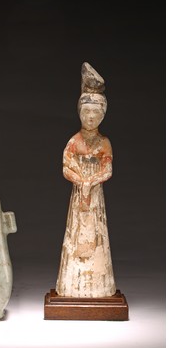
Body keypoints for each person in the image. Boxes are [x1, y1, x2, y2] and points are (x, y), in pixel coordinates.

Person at [56, 62, 117, 298]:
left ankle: (98, 286)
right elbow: (66, 167)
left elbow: (108, 169)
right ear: (80, 113)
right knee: (76, 235)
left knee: (96, 236)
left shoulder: (104, 143)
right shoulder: (74, 141)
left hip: (94, 197)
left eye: (96, 113)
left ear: (103, 114)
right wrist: (80, 181)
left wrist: (91, 182)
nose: (91, 117)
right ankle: (72, 285)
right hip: (79, 196)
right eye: (87, 112)